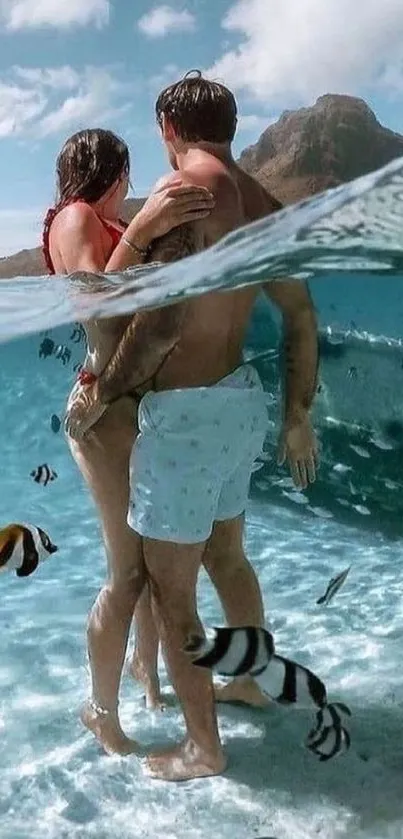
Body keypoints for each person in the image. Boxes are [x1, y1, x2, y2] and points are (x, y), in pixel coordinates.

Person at [65, 73, 319, 782]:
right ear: (230, 127)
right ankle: (245, 678)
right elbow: (299, 312)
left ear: (167, 132)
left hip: (183, 413)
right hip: (241, 399)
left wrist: (106, 390)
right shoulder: (262, 201)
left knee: (170, 588)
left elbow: (140, 317)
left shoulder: (182, 200)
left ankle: (203, 747)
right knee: (228, 558)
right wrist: (297, 413)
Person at [44, 126, 268, 759]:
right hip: (105, 408)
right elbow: (97, 309)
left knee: (151, 556)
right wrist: (140, 233)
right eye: (128, 179)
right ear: (115, 175)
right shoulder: (78, 217)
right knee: (129, 573)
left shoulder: (96, 218)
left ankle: (149, 675)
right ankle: (101, 710)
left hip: (133, 406)